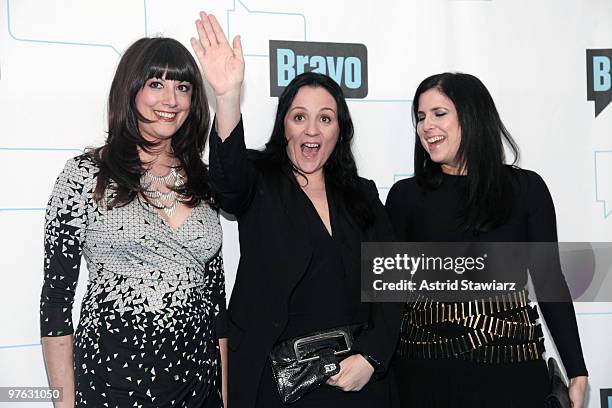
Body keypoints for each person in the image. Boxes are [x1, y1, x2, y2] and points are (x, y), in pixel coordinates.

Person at [190, 12, 401, 408]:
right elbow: (228, 183)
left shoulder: (362, 194)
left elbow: (390, 287)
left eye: (325, 118)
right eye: (299, 116)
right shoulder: (258, 180)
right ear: (284, 124)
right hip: (279, 386)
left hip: (358, 382)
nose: (311, 130)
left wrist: (372, 357)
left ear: (340, 131)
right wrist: (227, 95)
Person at [40, 37, 227, 408]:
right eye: (156, 84)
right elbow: (56, 302)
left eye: (183, 87)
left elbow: (215, 303)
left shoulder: (205, 182)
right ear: (130, 89)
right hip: (113, 383)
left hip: (198, 385)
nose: (171, 100)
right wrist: (64, 404)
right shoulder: (84, 176)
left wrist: (223, 396)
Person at [385, 72, 588, 407]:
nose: (426, 126)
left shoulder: (526, 190)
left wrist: (576, 369)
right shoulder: (405, 197)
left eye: (439, 113)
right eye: (420, 117)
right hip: (424, 376)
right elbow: (387, 295)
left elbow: (550, 279)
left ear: (472, 116)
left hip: (511, 372)